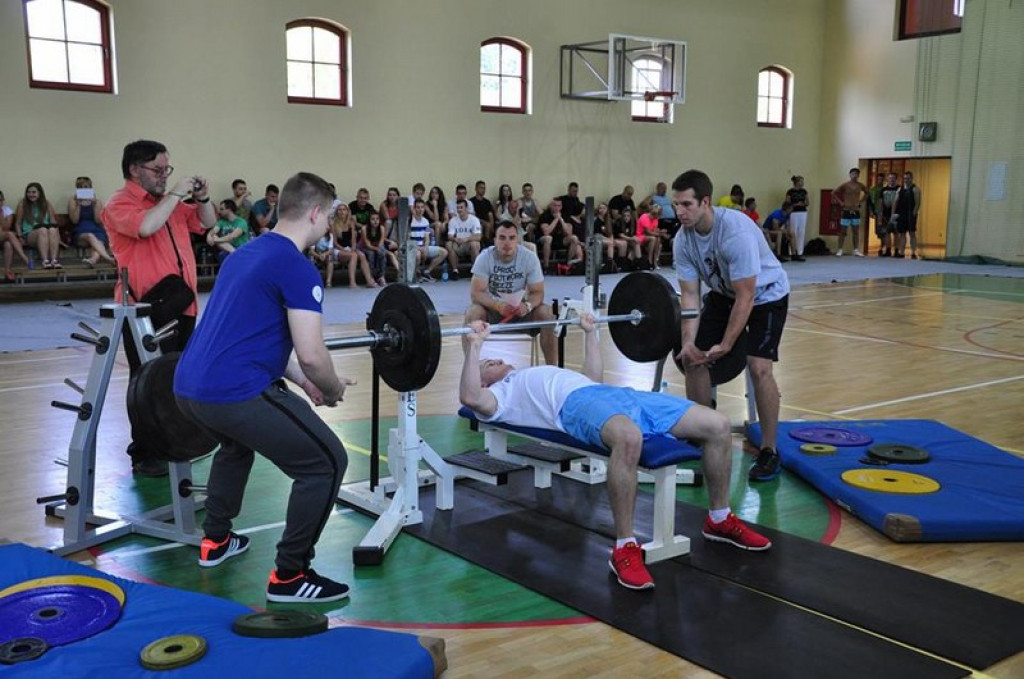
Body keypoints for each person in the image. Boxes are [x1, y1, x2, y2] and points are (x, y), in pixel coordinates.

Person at [459, 314, 771, 591]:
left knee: (717, 424)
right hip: (574, 408)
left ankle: (719, 519)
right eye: (488, 364)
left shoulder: (536, 372)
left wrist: (591, 333)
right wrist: (474, 346)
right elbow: (470, 396)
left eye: (493, 358)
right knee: (628, 438)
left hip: (613, 395)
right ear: (485, 379)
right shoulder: (501, 396)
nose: (494, 360)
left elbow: (593, 379)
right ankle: (625, 546)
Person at [174, 171, 354, 604]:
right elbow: (311, 352)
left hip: (188, 388)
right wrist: (328, 388)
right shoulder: (297, 266)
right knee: (327, 462)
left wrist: (304, 382)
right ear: (314, 212)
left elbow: (254, 336)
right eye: (329, 215)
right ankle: (291, 576)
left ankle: (215, 541)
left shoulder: (244, 254)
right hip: (234, 391)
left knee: (235, 447)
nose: (330, 224)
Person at [102, 139, 217, 476]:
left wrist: (203, 198)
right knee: (146, 383)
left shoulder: (168, 204)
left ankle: (174, 446)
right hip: (143, 310)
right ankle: (145, 454)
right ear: (135, 169)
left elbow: (207, 223)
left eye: (168, 169)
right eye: (158, 169)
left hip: (181, 304)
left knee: (177, 378)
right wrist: (175, 195)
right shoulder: (119, 204)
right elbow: (146, 226)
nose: (164, 176)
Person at [671, 169, 791, 483]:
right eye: (676, 205)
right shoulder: (682, 241)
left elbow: (747, 295)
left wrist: (726, 344)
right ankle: (701, 433)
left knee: (758, 366)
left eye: (686, 204)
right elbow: (690, 295)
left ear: (705, 202)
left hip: (766, 295)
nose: (679, 212)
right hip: (725, 294)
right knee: (692, 359)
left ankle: (769, 450)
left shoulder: (735, 231)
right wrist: (688, 342)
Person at [466, 220, 558, 365]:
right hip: (494, 313)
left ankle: (552, 369)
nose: (507, 243)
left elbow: (538, 293)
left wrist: (527, 306)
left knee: (547, 313)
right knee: (473, 312)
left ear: (518, 240)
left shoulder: (529, 258)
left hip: (521, 313)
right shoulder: (485, 257)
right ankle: (471, 368)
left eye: (512, 238)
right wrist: (498, 306)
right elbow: (476, 294)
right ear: (495, 240)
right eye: (502, 238)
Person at [68, 177, 116, 268]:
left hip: (97, 230)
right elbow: (74, 220)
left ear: (90, 188)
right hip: (80, 232)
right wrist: (78, 205)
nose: (84, 189)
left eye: (86, 187)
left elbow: (98, 220)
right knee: (90, 236)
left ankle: (92, 260)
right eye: (81, 188)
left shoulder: (97, 202)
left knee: (98, 242)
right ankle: (108, 258)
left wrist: (94, 205)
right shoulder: (73, 201)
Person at [15, 182, 60, 269]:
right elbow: (18, 223)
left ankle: (54, 260)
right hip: (30, 233)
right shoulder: (23, 204)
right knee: (42, 230)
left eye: (34, 192)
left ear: (40, 193)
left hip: (47, 232)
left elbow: (53, 222)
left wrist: (58, 237)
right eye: (29, 192)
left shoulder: (46, 204)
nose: (31, 194)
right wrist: (20, 237)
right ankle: (45, 261)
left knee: (52, 229)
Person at [830, 168, 867, 256]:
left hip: (855, 210)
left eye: (856, 174)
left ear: (858, 175)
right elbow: (833, 193)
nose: (854, 175)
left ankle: (856, 249)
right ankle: (840, 249)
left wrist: (861, 202)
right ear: (850, 175)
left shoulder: (860, 185)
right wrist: (841, 202)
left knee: (855, 231)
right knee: (843, 231)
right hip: (846, 210)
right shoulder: (845, 185)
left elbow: (867, 193)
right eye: (853, 174)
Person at [446, 198, 482, 274]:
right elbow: (450, 236)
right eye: (458, 208)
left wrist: (467, 239)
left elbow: (478, 236)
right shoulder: (453, 220)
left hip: (469, 243)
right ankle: (455, 271)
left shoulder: (474, 220)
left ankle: (476, 271)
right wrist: (455, 239)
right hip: (458, 243)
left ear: (466, 208)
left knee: (475, 244)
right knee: (448, 244)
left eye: (461, 207)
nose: (459, 210)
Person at [1, 190, 31, 282]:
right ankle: (24, 258)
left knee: (8, 244)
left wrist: (0, 214)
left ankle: (7, 271)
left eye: (0, 200)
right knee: (10, 234)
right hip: (3, 234)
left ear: (3, 200)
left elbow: (6, 227)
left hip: (3, 236)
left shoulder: (7, 210)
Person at [893, 171, 922, 259]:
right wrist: (894, 214)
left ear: (911, 178)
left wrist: (914, 213)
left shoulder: (915, 189)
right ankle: (902, 252)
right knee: (902, 234)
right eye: (905, 178)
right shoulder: (900, 189)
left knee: (912, 233)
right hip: (901, 214)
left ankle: (913, 252)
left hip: (911, 214)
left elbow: (917, 203)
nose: (906, 180)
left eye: (908, 178)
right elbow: (895, 202)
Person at [784, 175, 809, 259]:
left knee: (801, 231)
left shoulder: (804, 191)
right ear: (796, 182)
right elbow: (787, 202)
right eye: (801, 181)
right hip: (793, 212)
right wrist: (795, 204)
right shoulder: (790, 191)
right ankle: (792, 251)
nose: (802, 183)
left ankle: (800, 251)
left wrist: (803, 204)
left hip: (802, 212)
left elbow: (807, 202)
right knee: (793, 231)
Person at [876, 173, 900, 257]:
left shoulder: (899, 189)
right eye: (890, 178)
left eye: (893, 178)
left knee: (896, 233)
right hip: (885, 215)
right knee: (886, 233)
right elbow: (880, 203)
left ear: (896, 179)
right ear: (887, 179)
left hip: (897, 214)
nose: (892, 179)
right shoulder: (883, 190)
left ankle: (897, 251)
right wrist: (880, 215)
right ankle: (888, 250)